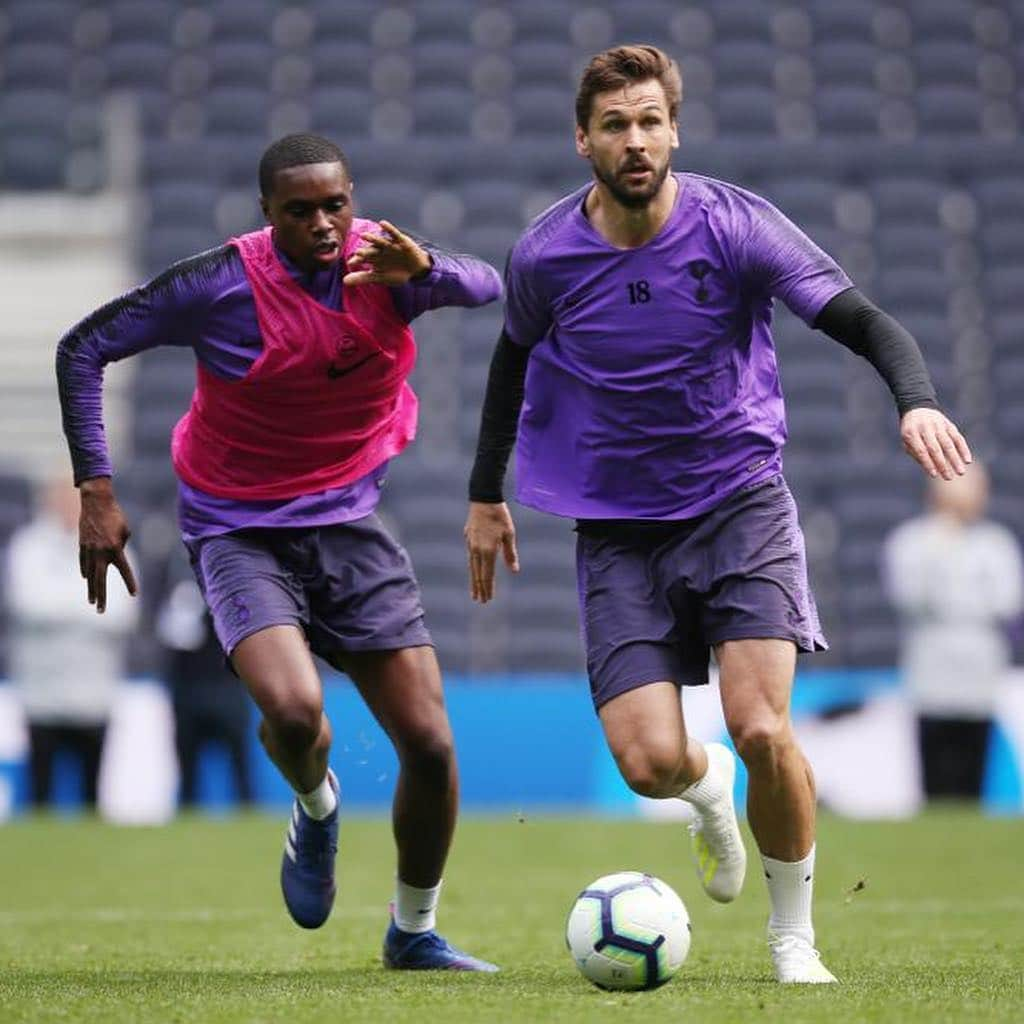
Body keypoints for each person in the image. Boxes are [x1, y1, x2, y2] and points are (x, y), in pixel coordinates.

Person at [464, 45, 972, 984]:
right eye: (615, 124)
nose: (635, 139)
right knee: (649, 763)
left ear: (674, 130)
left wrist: (917, 397)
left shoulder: (734, 224)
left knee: (765, 727)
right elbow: (510, 362)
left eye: (651, 120)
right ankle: (705, 793)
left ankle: (793, 938)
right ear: (584, 139)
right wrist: (485, 492)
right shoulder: (544, 254)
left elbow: (861, 318)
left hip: (740, 504)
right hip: (617, 526)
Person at [57, 133, 502, 971]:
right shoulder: (216, 284)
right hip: (236, 528)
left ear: (352, 197)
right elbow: (83, 347)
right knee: (298, 716)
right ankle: (316, 804)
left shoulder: (386, 266)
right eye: (301, 212)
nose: (326, 225)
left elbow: (491, 285)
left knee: (432, 745)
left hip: (349, 521)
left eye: (337, 204)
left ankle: (413, 932)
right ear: (267, 215)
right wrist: (97, 490)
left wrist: (430, 266)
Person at [883, 462, 1023, 801]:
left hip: (979, 674)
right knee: (935, 777)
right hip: (931, 673)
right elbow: (908, 595)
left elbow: (1007, 601)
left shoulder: (995, 544)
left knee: (973, 773)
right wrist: (941, 546)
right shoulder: (912, 540)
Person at [5, 472, 137, 810]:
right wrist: (88, 605)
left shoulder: (113, 542)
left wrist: (62, 606)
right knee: (42, 786)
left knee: (93, 787)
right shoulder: (29, 545)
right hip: (42, 690)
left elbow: (123, 611)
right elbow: (27, 604)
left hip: (94, 688)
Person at [155, 559, 254, 809]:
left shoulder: (235, 570)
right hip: (187, 686)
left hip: (228, 684)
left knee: (240, 769)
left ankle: (248, 822)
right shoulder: (171, 567)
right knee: (188, 770)